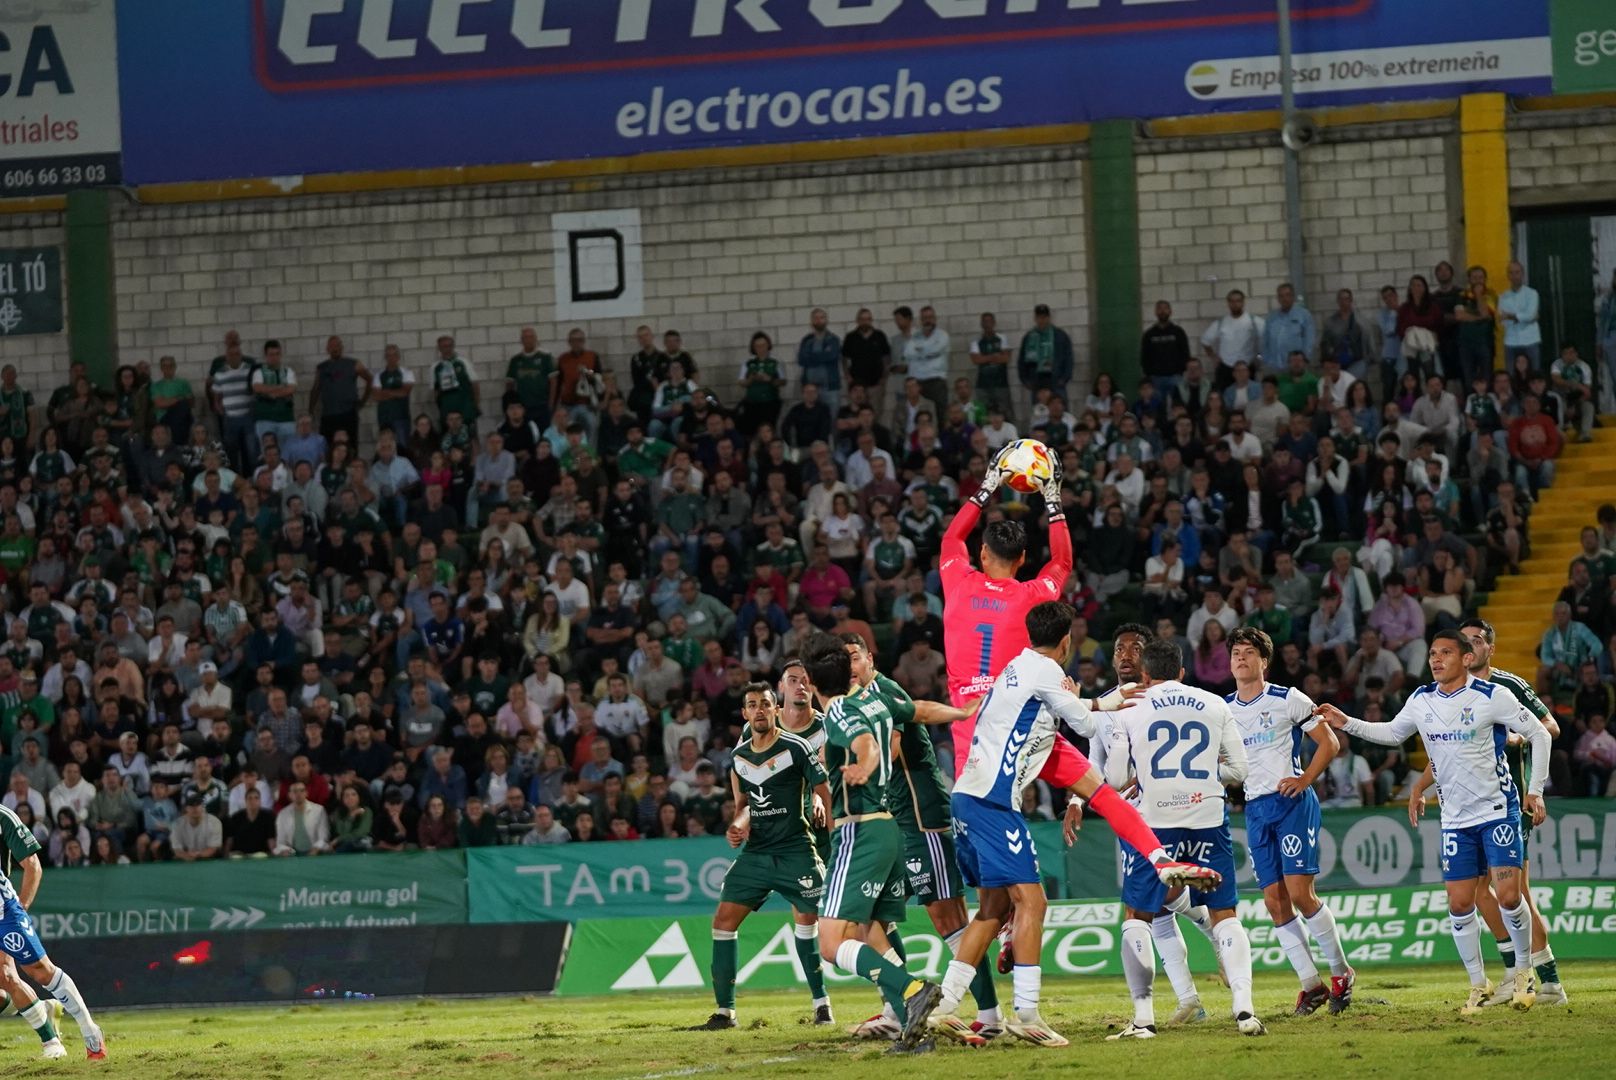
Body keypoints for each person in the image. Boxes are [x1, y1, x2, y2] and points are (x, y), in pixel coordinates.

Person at [929, 603, 1220, 1047]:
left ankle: (946, 1004)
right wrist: (1105, 701)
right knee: (1033, 903)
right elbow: (1085, 719)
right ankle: (1026, 1012)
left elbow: (1103, 793)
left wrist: (1158, 858)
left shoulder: (1020, 679)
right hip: (992, 805)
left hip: (966, 802)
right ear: (1067, 642)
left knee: (993, 910)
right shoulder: (1045, 676)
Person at [1316, 630, 1551, 1013]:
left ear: (1467, 659)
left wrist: (1535, 789)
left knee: (1509, 896)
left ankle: (1525, 972)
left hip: (1497, 811)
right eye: (1432, 653)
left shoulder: (1493, 697)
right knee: (1460, 905)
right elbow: (1392, 733)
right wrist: (1346, 722)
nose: (1436, 659)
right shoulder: (1421, 699)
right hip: (1455, 818)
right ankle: (1479, 983)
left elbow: (1540, 734)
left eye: (1445, 653)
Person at [1102, 637, 1261, 1039]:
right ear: (1182, 672)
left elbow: (1117, 779)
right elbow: (1240, 771)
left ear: (1146, 673)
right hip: (1207, 815)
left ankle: (1143, 1020)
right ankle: (1245, 1011)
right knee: (1225, 913)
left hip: (1155, 823)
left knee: (1138, 915)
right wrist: (1207, 774)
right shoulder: (1215, 703)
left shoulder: (1130, 708)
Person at [1407, 618, 1569, 1008]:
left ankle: (1546, 981)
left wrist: (1517, 739)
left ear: (1488, 649)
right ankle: (1516, 974)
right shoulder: (1446, 695)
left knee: (1515, 892)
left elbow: (1550, 726)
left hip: (1508, 800)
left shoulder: (1506, 687)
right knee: (1478, 895)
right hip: (1465, 809)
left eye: (1477, 641)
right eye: (1465, 640)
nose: (1471, 646)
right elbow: (1447, 750)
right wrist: (1419, 785)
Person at [796, 632, 941, 1052]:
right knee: (871, 931)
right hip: (885, 827)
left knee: (830, 944)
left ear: (809, 679)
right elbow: (904, 722)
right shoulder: (870, 700)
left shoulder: (841, 710)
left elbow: (867, 745)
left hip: (859, 831)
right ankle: (911, 1028)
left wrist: (862, 762)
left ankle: (912, 992)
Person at [1225, 627, 1354, 1014]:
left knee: (1300, 893)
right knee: (1274, 901)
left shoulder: (1288, 699)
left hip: (1292, 803)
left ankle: (1341, 971)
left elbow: (1330, 742)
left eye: (1249, 652)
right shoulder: (1223, 710)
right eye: (1235, 653)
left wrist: (1304, 779)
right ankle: (1311, 985)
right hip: (1256, 809)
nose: (1241, 659)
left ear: (1264, 661)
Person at [700, 683, 833, 1030]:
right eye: (752, 705)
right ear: (744, 714)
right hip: (757, 853)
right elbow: (745, 807)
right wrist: (738, 825)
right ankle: (724, 1013)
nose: (759, 710)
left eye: (765, 704)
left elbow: (824, 792)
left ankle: (822, 1004)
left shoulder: (796, 747)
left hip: (796, 850)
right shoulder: (739, 756)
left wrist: (838, 832)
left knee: (820, 925)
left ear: (775, 710)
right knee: (723, 922)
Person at [0, 802, 105, 1058]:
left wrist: (21, 908)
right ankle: (45, 1017)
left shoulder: (2, 817)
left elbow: (33, 864)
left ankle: (88, 1031)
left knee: (39, 971)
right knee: (5, 982)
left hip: (3, 913)